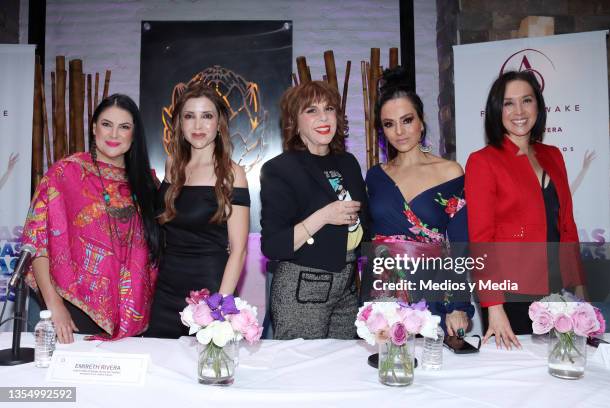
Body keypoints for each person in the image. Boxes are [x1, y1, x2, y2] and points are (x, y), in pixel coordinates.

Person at [22, 94, 160, 343]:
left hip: (133, 316)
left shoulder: (148, 184)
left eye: (124, 127)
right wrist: (55, 306)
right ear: (94, 127)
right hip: (74, 309)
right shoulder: (65, 174)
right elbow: (37, 242)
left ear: (134, 133)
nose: (114, 134)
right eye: (107, 124)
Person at [465, 71, 585, 349]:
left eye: (526, 100)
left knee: (562, 366)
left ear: (538, 106)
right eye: (508, 103)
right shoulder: (483, 161)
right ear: (497, 110)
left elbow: (567, 224)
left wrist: (579, 286)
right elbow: (481, 240)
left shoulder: (553, 155)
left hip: (557, 287)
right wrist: (493, 306)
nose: (518, 111)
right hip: (510, 294)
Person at [364, 67, 474, 336]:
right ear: (382, 131)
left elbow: (459, 246)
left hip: (432, 289)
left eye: (407, 120)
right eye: (389, 124)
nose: (399, 131)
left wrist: (458, 304)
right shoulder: (376, 176)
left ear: (421, 122)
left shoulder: (450, 172)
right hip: (383, 291)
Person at [260, 80, 368, 340]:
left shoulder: (348, 162)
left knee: (341, 370)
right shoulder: (280, 169)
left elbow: (366, 222)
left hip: (347, 284)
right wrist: (324, 216)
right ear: (294, 123)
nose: (323, 117)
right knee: (301, 372)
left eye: (329, 108)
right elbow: (273, 246)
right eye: (311, 110)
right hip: (302, 285)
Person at [146, 82, 249, 339]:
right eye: (189, 116)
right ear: (179, 124)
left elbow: (239, 250)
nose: (198, 125)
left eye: (207, 116)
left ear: (219, 123)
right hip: (166, 290)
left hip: (210, 291)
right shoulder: (172, 167)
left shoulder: (232, 174)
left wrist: (220, 307)